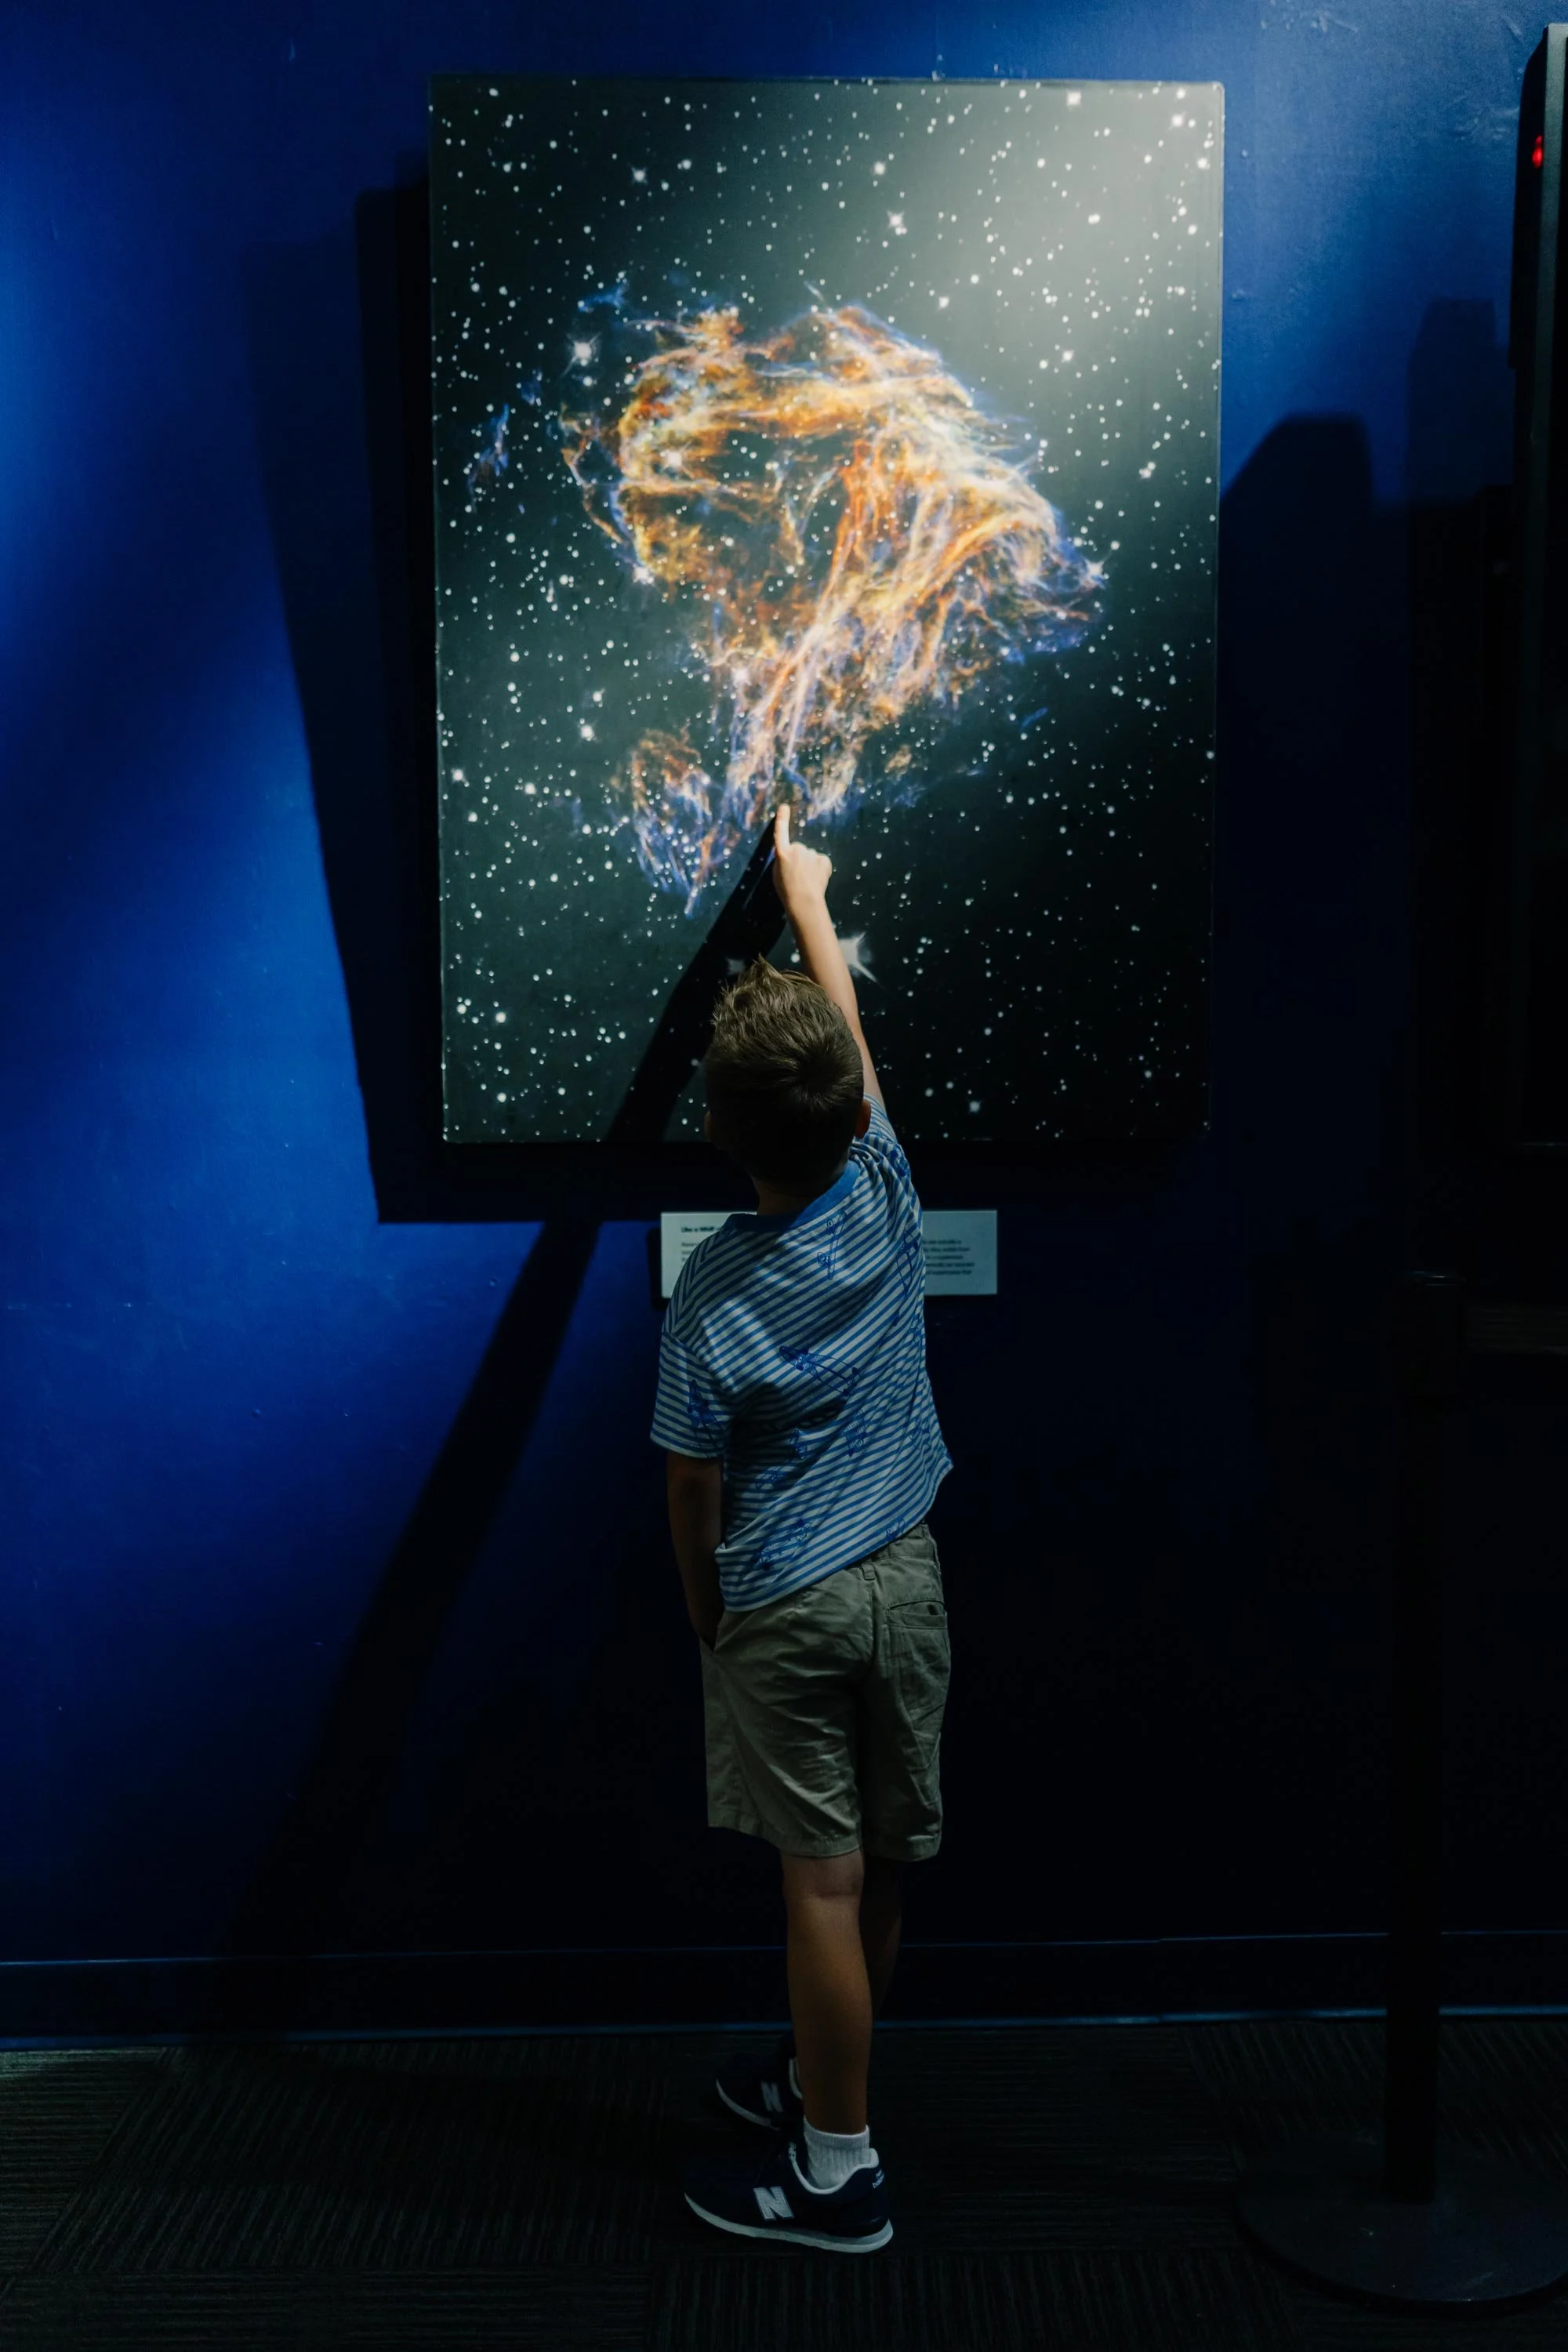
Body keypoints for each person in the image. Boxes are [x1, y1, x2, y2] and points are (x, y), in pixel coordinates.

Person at [654, 800, 953, 2254]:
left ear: (716, 1130)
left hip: (785, 1603)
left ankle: (839, 2171)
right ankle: (823, 2085)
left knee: (817, 1890)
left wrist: (705, 1608)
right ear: (852, 1116)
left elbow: (691, 1484)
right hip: (910, 1582)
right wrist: (810, 905)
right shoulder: (891, 1189)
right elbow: (854, 1054)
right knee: (879, 1869)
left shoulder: (712, 1292)